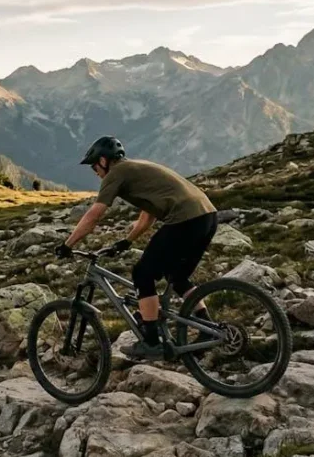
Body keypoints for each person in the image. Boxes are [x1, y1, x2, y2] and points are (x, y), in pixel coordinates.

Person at [55, 136, 218, 359]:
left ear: (104, 160)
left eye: (94, 165)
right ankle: (207, 325)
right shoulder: (136, 167)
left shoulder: (116, 173)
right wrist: (127, 241)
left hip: (184, 219)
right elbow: (147, 214)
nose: (94, 171)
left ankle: (150, 341)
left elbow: (95, 214)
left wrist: (67, 244)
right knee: (177, 276)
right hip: (207, 216)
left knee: (142, 273)